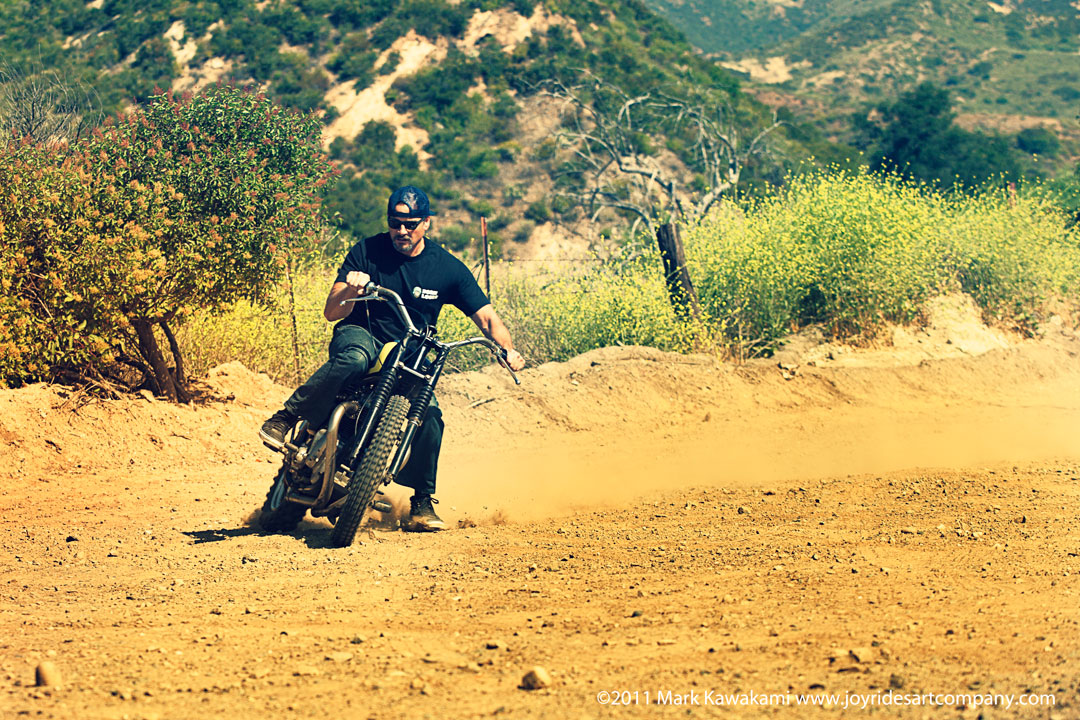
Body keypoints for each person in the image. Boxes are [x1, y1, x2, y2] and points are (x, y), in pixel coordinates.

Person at [259, 185, 525, 531]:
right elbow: (331, 311)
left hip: (409, 355)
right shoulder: (367, 251)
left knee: (429, 416)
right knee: (354, 359)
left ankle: (421, 502)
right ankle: (286, 417)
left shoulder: (447, 268)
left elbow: (487, 318)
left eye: (410, 224)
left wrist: (507, 349)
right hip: (363, 335)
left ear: (426, 223)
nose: (401, 231)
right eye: (395, 223)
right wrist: (351, 289)